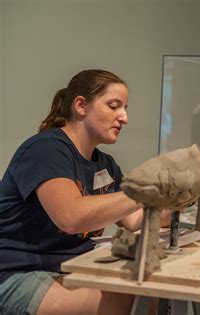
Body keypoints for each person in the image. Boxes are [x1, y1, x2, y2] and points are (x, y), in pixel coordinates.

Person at [0, 69, 171, 315]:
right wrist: (143, 192)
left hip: (70, 266)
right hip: (16, 272)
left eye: (125, 107)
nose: (124, 117)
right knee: (127, 303)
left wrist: (182, 193)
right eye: (114, 106)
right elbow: (71, 217)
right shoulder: (46, 150)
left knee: (155, 296)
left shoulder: (105, 164)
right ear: (81, 105)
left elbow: (135, 219)